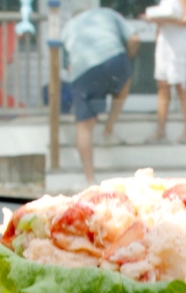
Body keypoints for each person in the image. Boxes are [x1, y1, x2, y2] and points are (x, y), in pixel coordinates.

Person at [61, 7, 140, 185]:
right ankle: (109, 127)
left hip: (83, 69)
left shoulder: (67, 28)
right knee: (124, 81)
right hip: (113, 59)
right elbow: (134, 39)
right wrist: (127, 58)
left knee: (84, 126)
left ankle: (90, 179)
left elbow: (67, 66)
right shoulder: (107, 13)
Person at [143, 0, 186, 144]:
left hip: (180, 41)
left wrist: (167, 20)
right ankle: (160, 129)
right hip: (165, 39)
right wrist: (155, 22)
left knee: (181, 84)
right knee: (162, 84)